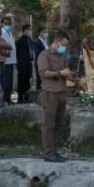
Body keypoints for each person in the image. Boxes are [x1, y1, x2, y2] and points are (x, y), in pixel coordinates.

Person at [37, 31, 71, 162]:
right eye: (63, 45)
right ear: (56, 42)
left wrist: (68, 74)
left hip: (62, 92)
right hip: (50, 93)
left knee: (59, 125)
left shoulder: (62, 56)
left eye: (66, 46)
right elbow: (44, 73)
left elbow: (65, 71)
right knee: (49, 125)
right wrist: (60, 73)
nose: (64, 48)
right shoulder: (44, 55)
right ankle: (49, 153)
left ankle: (55, 151)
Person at [15, 24, 35, 103]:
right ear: (24, 30)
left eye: (30, 29)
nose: (30, 31)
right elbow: (16, 52)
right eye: (28, 29)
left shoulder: (30, 39)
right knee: (21, 80)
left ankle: (27, 96)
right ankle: (20, 97)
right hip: (22, 63)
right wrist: (18, 62)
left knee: (27, 80)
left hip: (29, 63)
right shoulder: (20, 40)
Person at [1, 17, 17, 105]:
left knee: (10, 81)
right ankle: (4, 100)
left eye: (9, 24)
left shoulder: (10, 33)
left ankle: (9, 99)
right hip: (5, 61)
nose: (8, 25)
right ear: (2, 24)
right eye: (6, 23)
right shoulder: (1, 33)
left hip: (11, 61)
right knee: (5, 82)